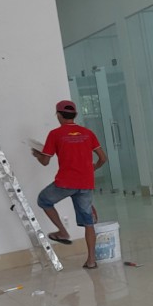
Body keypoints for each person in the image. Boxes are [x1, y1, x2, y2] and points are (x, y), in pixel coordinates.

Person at [32, 100, 107, 267]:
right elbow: (103, 158)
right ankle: (91, 261)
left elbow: (45, 162)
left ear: (59, 115)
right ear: (75, 115)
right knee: (88, 222)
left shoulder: (55, 134)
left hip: (66, 182)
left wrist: (37, 154)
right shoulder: (88, 133)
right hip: (86, 183)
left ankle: (62, 232)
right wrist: (92, 169)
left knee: (43, 200)